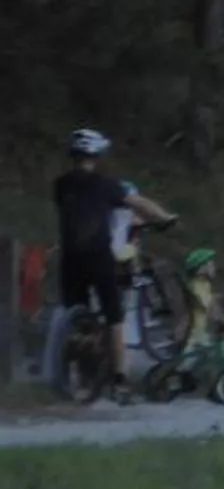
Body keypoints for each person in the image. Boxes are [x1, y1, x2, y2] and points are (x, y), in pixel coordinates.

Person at [45, 129, 176, 399]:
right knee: (114, 317)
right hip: (98, 258)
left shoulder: (61, 184)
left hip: (70, 259)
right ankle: (120, 379)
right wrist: (165, 217)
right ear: (98, 155)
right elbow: (137, 202)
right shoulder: (106, 185)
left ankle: (76, 369)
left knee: (76, 314)